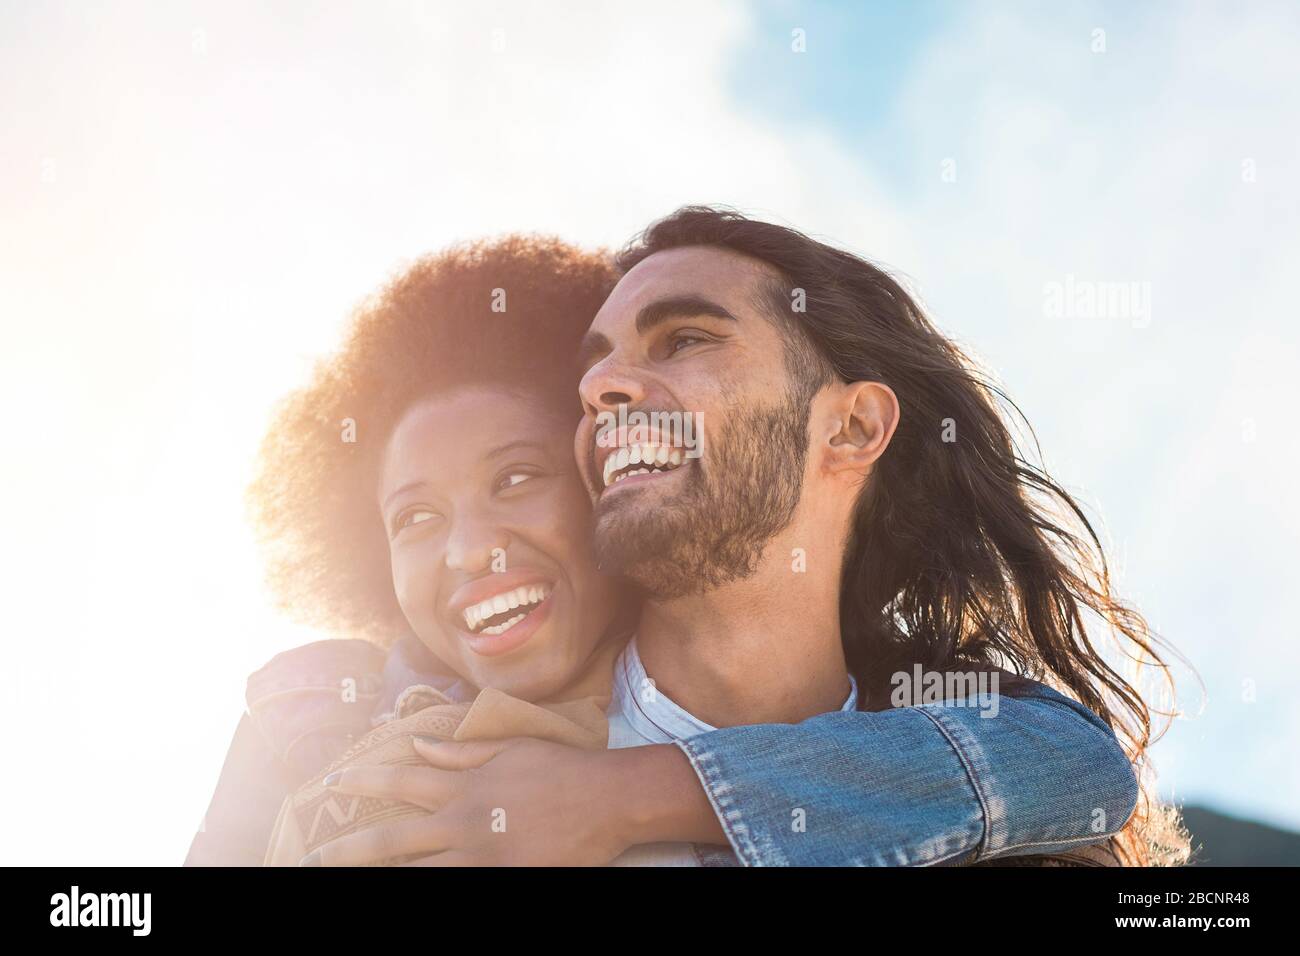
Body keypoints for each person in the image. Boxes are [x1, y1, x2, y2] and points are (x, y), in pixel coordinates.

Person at [184, 228, 1163, 867]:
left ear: (853, 428)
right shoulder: (418, 746)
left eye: (685, 338)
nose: (608, 386)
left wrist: (618, 797)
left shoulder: (979, 755)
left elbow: (1072, 762)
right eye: (596, 364)